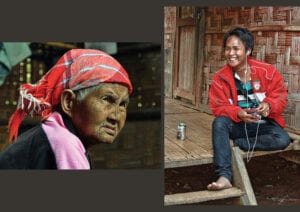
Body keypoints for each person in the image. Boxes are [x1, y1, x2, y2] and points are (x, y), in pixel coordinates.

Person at [0, 49, 133, 169]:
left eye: (122, 105)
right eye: (106, 99)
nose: (115, 116)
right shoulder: (63, 142)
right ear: (68, 102)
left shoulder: (53, 135)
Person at [207, 27, 290, 190]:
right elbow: (218, 106)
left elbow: (280, 96)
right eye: (228, 49)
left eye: (236, 49)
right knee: (219, 123)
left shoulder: (267, 71)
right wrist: (237, 112)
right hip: (238, 124)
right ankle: (224, 176)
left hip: (263, 124)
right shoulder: (220, 77)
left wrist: (268, 105)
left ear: (248, 50)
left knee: (282, 139)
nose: (231, 53)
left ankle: (238, 143)